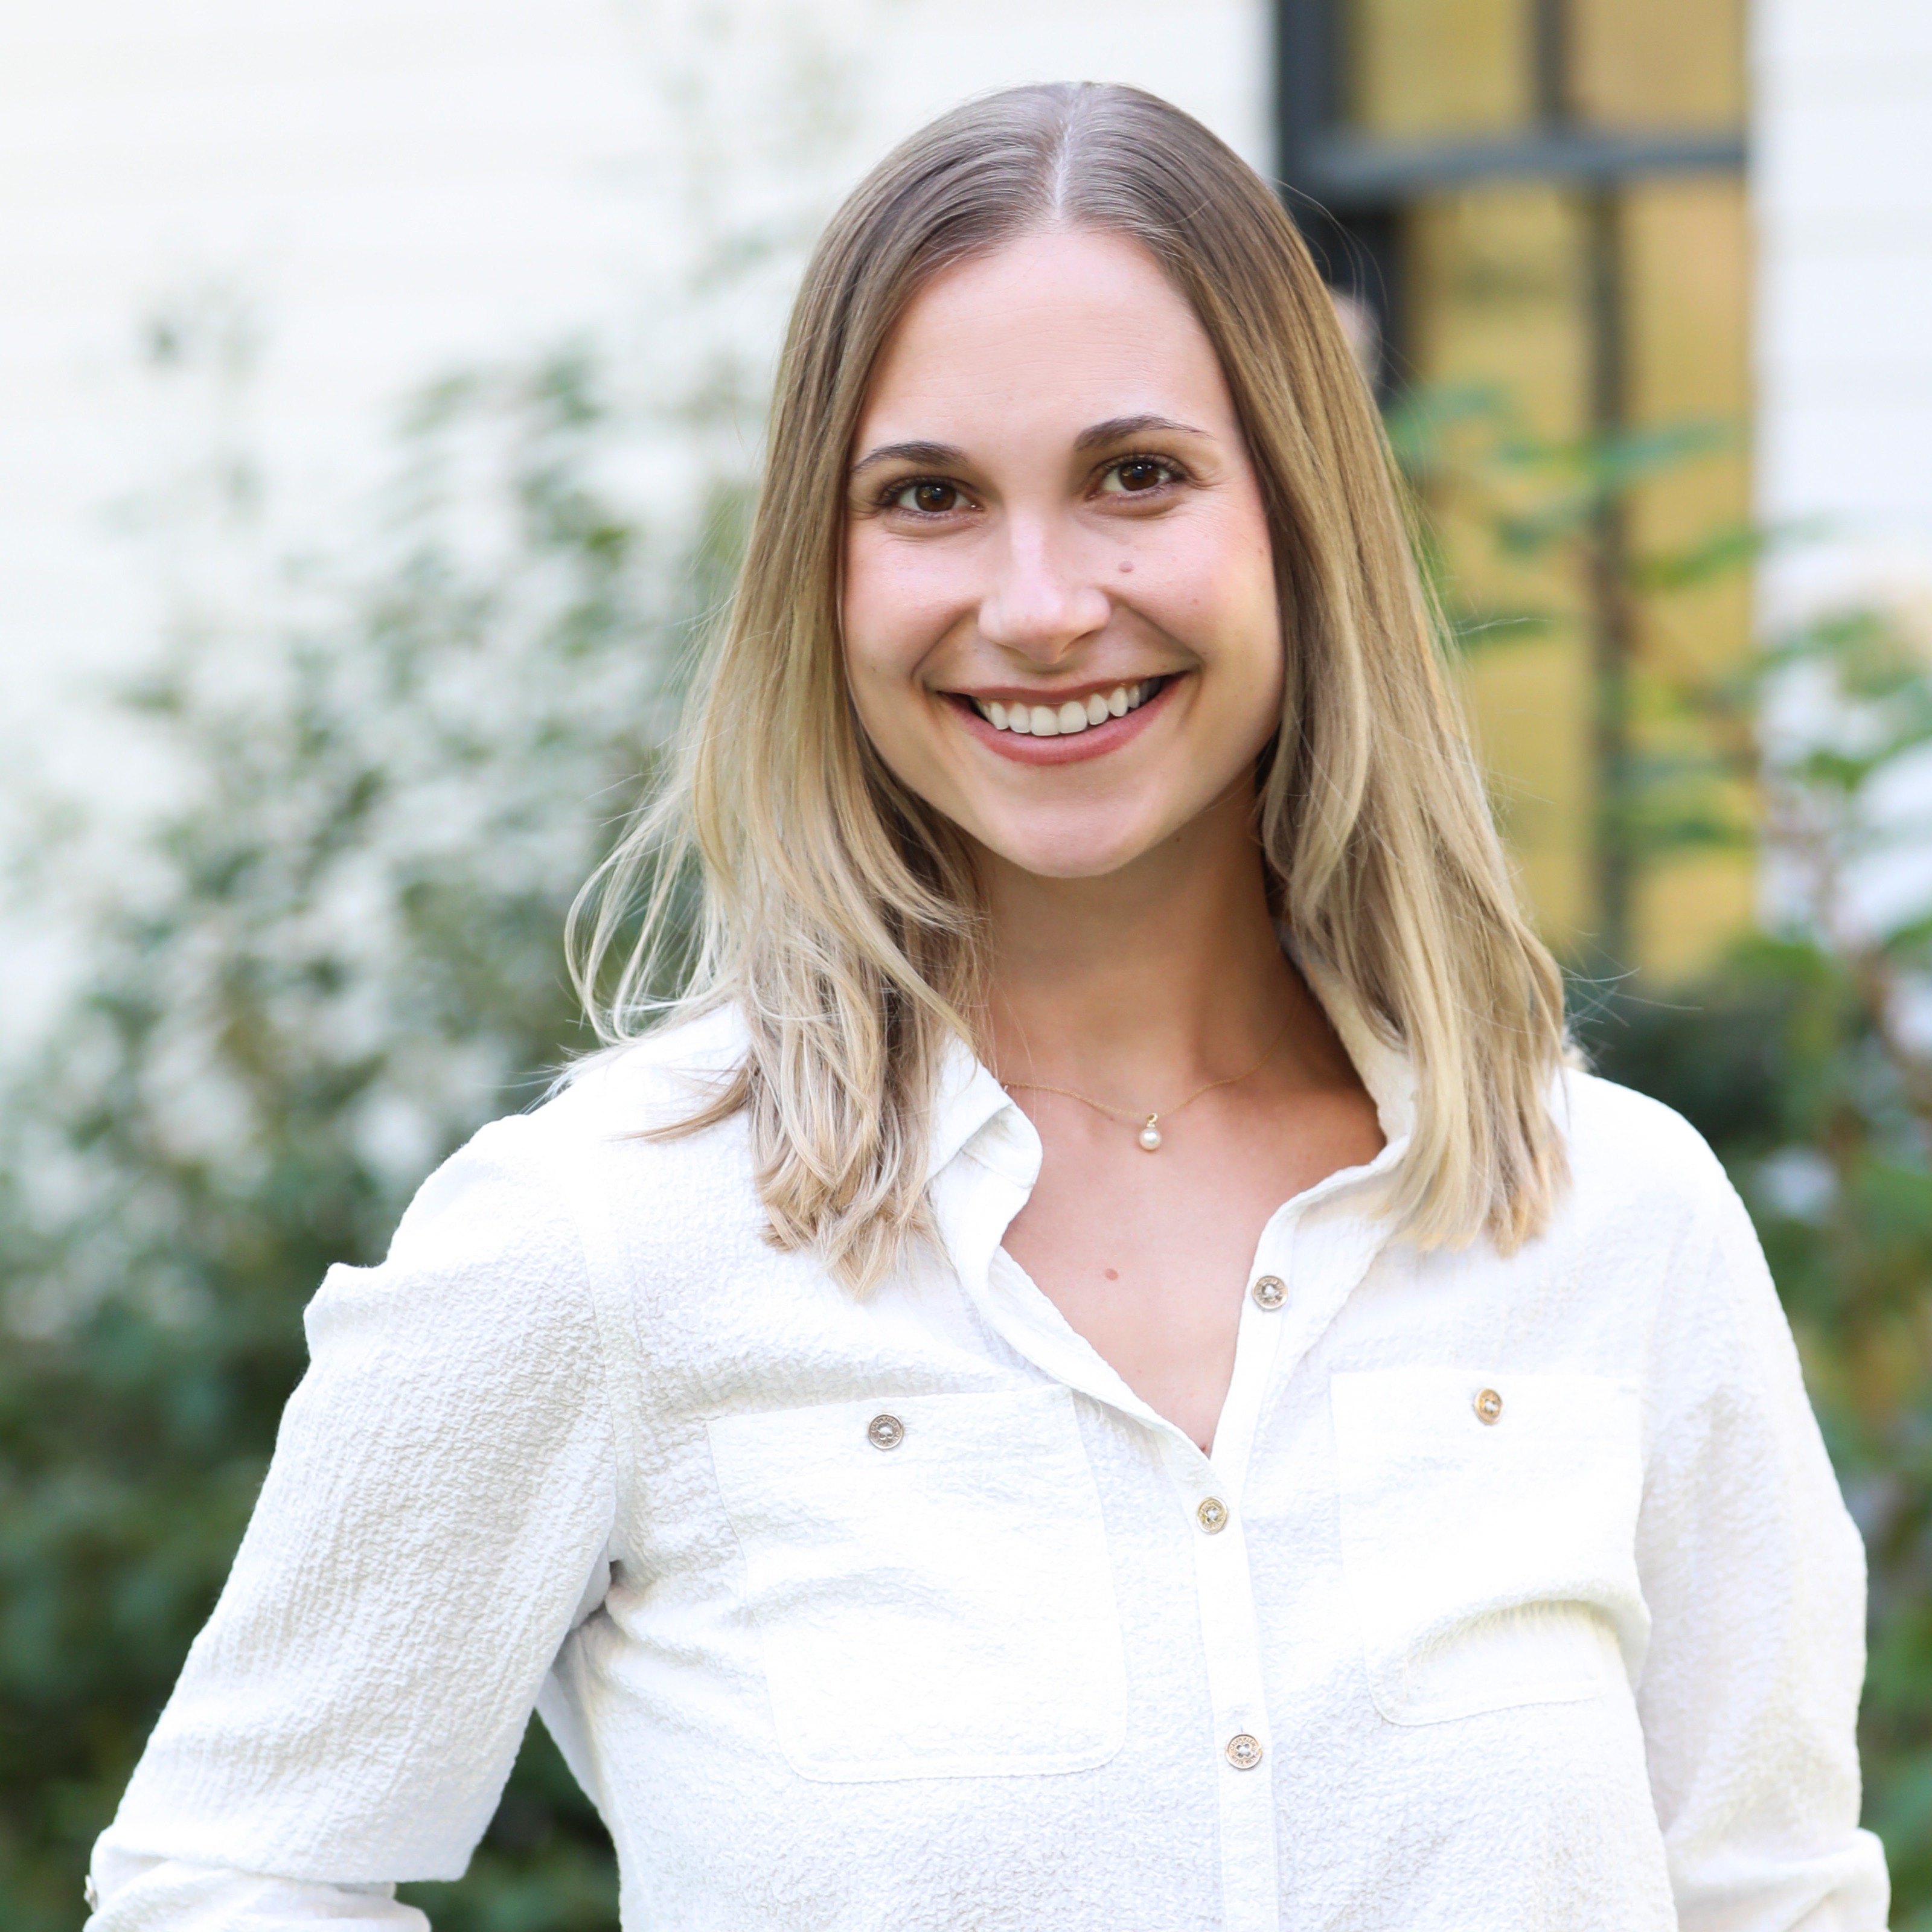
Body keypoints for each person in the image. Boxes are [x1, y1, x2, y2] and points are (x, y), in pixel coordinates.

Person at [88, 82, 1887, 1931]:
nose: (1038, 607)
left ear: (1302, 520)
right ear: (826, 565)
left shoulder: (1616, 1220)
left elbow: (1772, 1899)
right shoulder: (605, 1239)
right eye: (929, 497)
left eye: (1138, 476)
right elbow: (226, 1879)